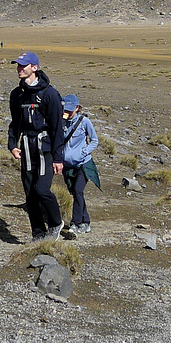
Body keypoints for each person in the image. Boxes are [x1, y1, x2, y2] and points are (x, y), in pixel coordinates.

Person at [7, 51, 65, 242]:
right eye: (18, 65)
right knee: (30, 193)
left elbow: (58, 128)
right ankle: (38, 234)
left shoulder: (50, 94)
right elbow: (15, 122)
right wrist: (12, 144)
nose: (19, 69)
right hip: (26, 147)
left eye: (23, 66)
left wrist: (58, 158)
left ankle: (56, 223)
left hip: (44, 149)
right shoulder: (16, 95)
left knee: (42, 190)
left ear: (35, 68)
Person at [61, 94, 100, 238]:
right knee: (76, 193)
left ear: (77, 108)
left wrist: (84, 152)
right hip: (68, 166)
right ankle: (86, 221)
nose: (67, 113)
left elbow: (94, 140)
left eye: (70, 110)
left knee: (78, 191)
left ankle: (75, 224)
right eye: (65, 110)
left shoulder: (84, 122)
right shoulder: (62, 122)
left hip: (83, 164)